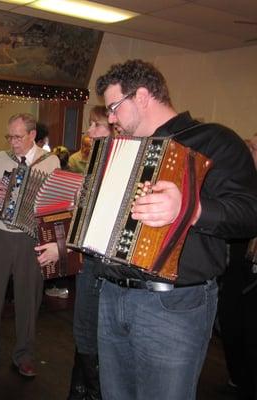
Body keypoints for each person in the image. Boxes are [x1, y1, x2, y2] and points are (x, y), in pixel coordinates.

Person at [90, 59, 257, 400]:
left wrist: (192, 209)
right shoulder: (123, 150)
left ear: (142, 96)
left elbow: (250, 213)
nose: (110, 118)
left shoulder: (213, 140)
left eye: (113, 107)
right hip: (111, 294)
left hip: (173, 303)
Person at [0, 113, 60, 378]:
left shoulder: (50, 161)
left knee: (29, 297)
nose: (13, 142)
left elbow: (56, 202)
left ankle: (25, 355)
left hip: (31, 237)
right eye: (10, 136)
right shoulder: (0, 158)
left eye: (18, 137)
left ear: (32, 135)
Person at [40, 105, 115, 400]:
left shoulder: (111, 167)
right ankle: (81, 391)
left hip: (99, 265)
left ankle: (90, 392)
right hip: (89, 262)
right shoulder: (96, 163)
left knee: (91, 337)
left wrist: (62, 247)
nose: (89, 132)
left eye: (96, 126)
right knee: (84, 334)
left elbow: (100, 222)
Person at [217, 137, 257, 400]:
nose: (249, 151)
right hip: (237, 268)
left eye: (254, 148)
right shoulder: (243, 182)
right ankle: (239, 378)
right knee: (231, 323)